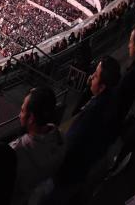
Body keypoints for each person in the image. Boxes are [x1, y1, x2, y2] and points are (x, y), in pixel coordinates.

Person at [49, 55, 121, 203]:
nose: (91, 76)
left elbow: (71, 144)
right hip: (81, 171)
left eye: (95, 75)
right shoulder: (109, 100)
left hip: (68, 174)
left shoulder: (94, 113)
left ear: (102, 86)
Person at [9, 87, 64, 205]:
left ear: (31, 118)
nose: (19, 115)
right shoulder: (60, 138)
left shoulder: (15, 152)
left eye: (22, 110)